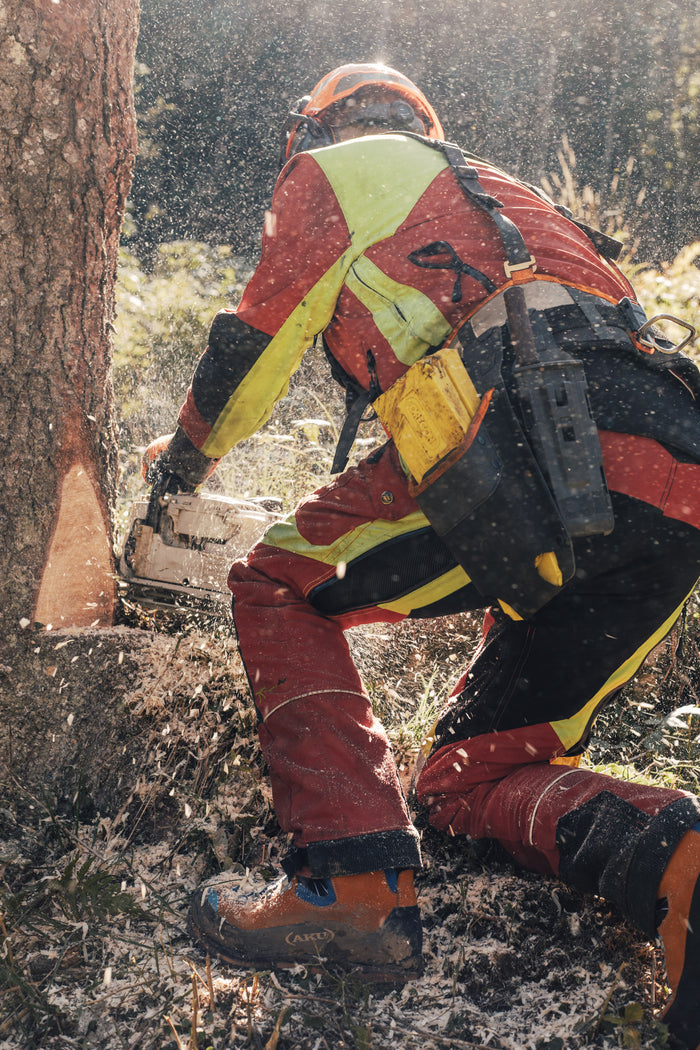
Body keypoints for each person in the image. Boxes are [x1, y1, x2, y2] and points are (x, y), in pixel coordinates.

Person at [143, 64, 700, 1047]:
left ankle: (351, 885)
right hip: (671, 484)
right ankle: (679, 863)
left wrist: (178, 475)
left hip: (544, 446)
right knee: (468, 779)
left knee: (276, 580)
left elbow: (250, 351)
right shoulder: (509, 203)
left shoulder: (336, 173)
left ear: (311, 132)